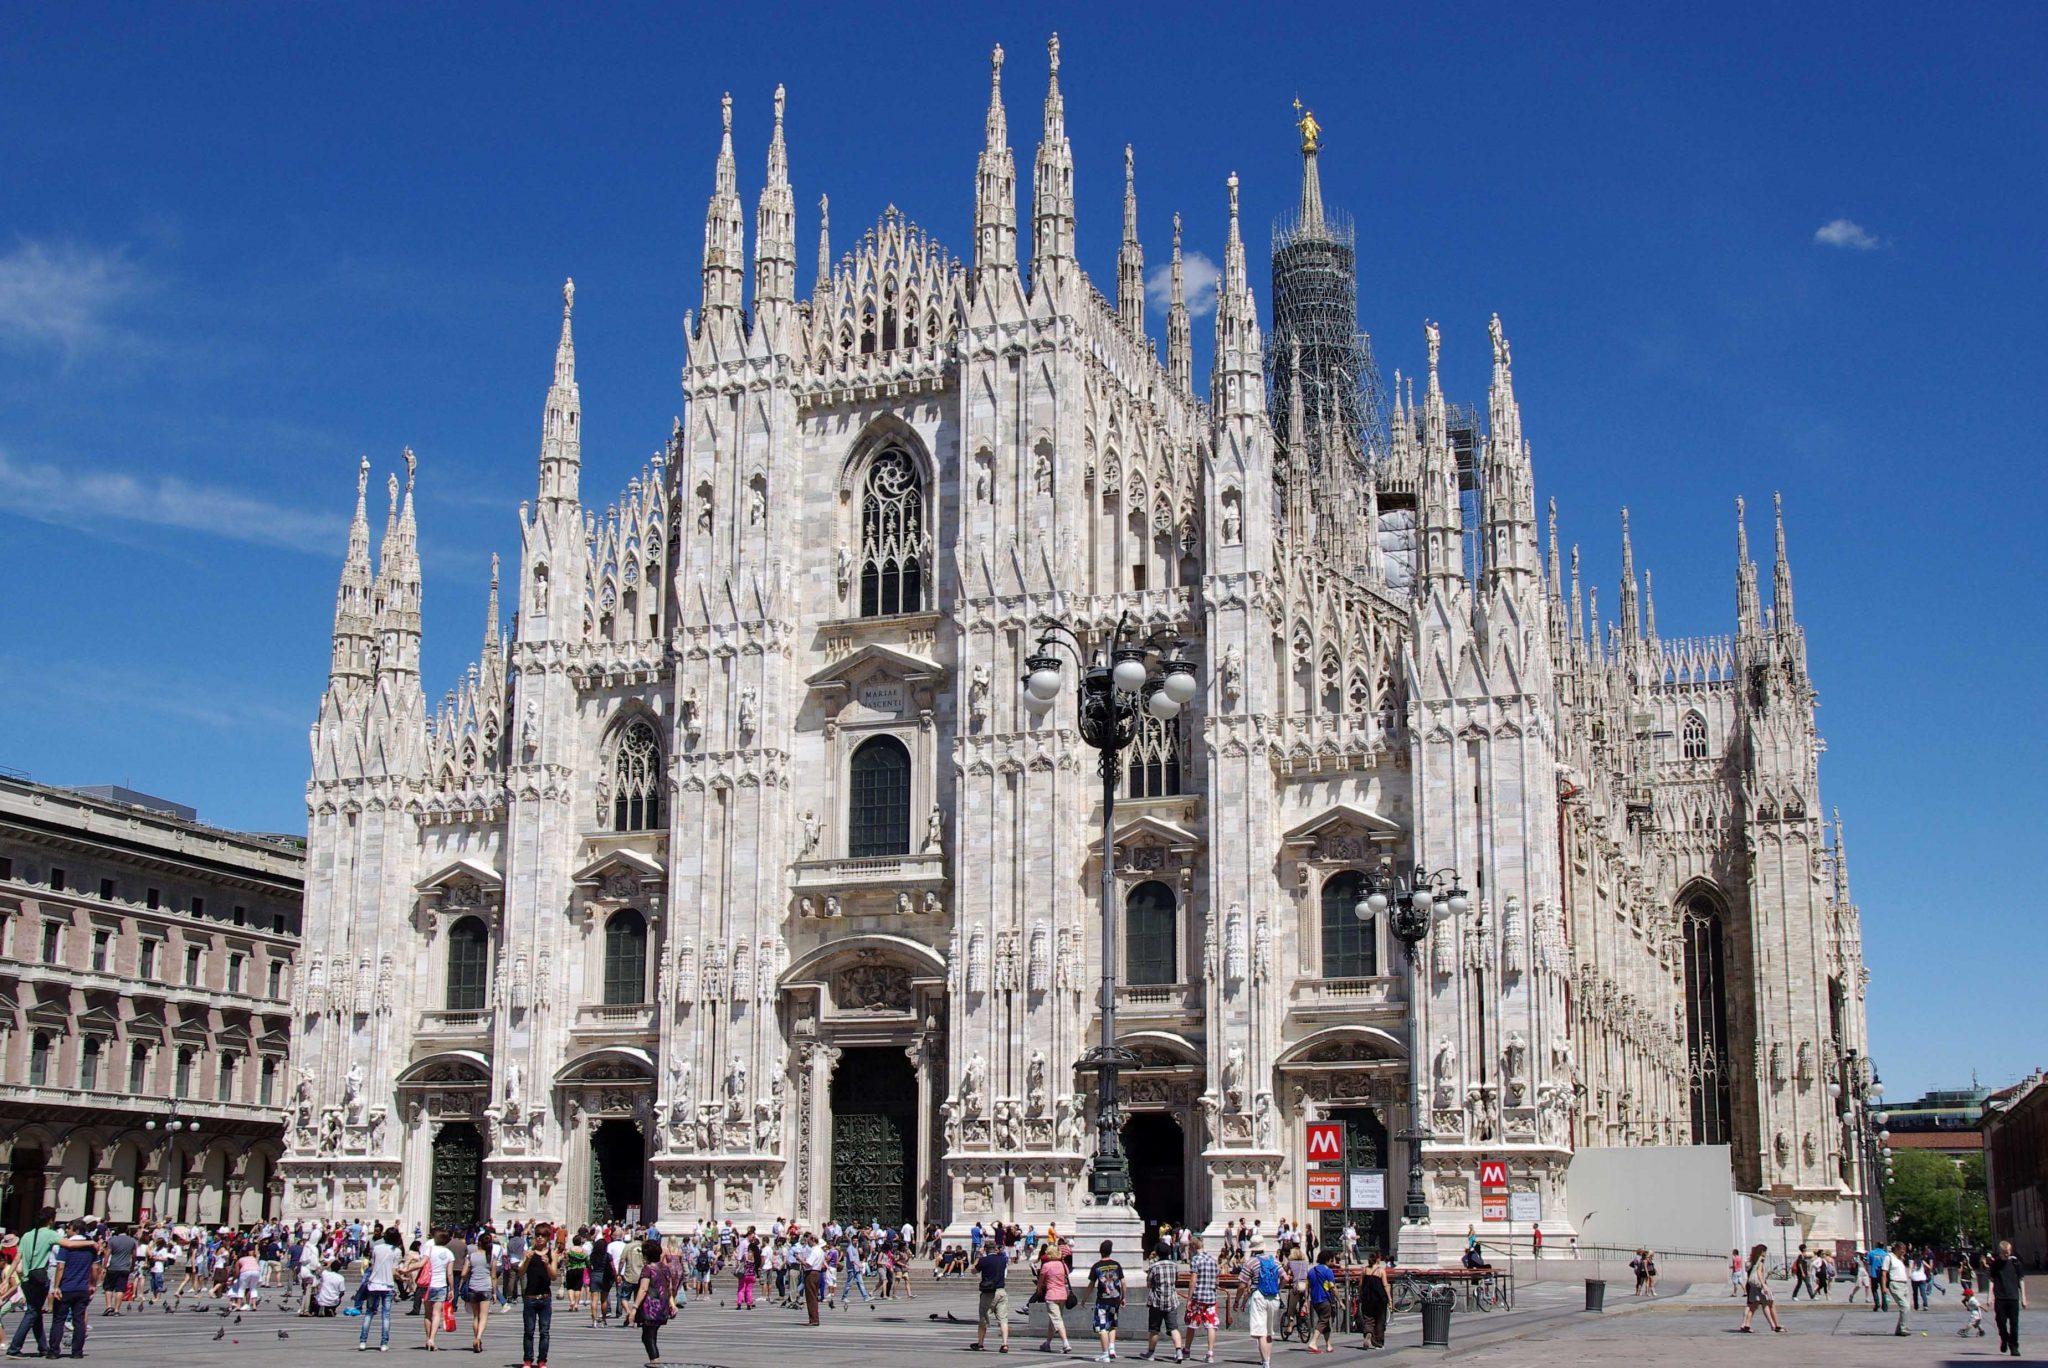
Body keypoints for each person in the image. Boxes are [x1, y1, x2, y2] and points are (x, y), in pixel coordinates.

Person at [45, 1220, 102, 1359]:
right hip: (82, 1288)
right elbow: (95, 1268)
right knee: (79, 1320)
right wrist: (93, 1284)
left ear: (75, 1230)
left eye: (69, 1228)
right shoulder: (90, 1248)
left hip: (66, 1287)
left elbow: (60, 1267)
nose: (67, 1231)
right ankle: (77, 1352)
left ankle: (53, 1351)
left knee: (58, 1319)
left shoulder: (66, 1246)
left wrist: (57, 1286)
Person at [626, 1238, 674, 1368]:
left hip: (651, 1308)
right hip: (662, 1306)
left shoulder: (648, 1268)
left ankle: (655, 1363)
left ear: (646, 1254)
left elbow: (643, 1289)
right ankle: (654, 1361)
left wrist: (634, 1308)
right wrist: (672, 1304)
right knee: (650, 1336)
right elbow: (669, 1288)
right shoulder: (665, 1268)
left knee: (648, 1337)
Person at [359, 1226, 403, 1352]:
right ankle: (384, 1343)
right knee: (386, 1315)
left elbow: (373, 1265)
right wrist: (402, 1278)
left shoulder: (376, 1248)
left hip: (373, 1284)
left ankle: (363, 1341)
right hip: (387, 1285)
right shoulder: (397, 1251)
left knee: (369, 1313)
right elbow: (394, 1271)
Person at [1243, 1237, 1283, 1368]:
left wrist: (1238, 1300)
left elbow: (1241, 1284)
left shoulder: (1251, 1262)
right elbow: (1286, 1277)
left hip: (1259, 1296)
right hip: (1273, 1297)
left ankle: (1265, 1362)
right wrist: (1278, 1288)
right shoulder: (1274, 1261)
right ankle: (1268, 1359)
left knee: (1261, 1332)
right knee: (1269, 1331)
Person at [1087, 1240, 1127, 1363]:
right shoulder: (1116, 1265)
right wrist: (1123, 1297)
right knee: (1113, 1324)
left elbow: (1091, 1285)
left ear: (1100, 1251)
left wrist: (1084, 1298)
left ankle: (1105, 1354)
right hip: (1115, 1299)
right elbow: (1123, 1282)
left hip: (1102, 1301)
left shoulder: (1096, 1266)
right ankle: (1112, 1349)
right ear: (1111, 1251)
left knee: (1102, 1327)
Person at [1986, 1240, 2027, 1357]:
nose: (2007, 1254)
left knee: (2014, 1324)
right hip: (2000, 1298)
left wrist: (2023, 1297)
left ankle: (2014, 1346)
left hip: (2013, 1297)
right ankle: (2004, 1338)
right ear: (2000, 1252)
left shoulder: (2015, 1263)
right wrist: (1990, 1296)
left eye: (2008, 1252)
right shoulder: (1995, 1264)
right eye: (2004, 1252)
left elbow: (2021, 1280)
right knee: (2000, 1322)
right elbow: (1991, 1280)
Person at [971, 1232, 1010, 1352]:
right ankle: (1004, 1344)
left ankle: (980, 1343)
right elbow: (1003, 1256)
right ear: (995, 1249)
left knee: (983, 1318)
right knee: (1003, 1319)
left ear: (986, 1249)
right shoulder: (1003, 1260)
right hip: (1001, 1292)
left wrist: (978, 1256)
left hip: (988, 1293)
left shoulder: (984, 1260)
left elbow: (973, 1271)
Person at [1183, 1236, 1219, 1366]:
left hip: (1198, 1298)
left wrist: (1189, 1299)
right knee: (1211, 1325)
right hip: (1211, 1298)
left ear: (1192, 1247)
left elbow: (1193, 1281)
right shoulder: (1213, 1259)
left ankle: (1187, 1350)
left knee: (1192, 1323)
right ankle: (1209, 1353)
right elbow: (1217, 1281)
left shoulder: (1195, 1260)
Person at [1144, 1243, 1183, 1362]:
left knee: (1154, 1329)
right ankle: (1179, 1352)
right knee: (1174, 1328)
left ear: (1157, 1253)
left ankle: (1150, 1353)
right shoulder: (1174, 1265)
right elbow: (1176, 1279)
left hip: (1157, 1300)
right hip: (1171, 1300)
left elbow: (1149, 1284)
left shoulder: (1154, 1266)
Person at [1034, 1243, 1074, 1355]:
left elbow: (1041, 1281)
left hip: (1051, 1295)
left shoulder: (1046, 1266)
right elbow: (1066, 1279)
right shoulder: (1063, 1264)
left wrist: (1039, 1290)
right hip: (1062, 1295)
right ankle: (1047, 1343)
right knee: (1054, 1320)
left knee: (1057, 1320)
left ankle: (1066, 1343)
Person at [1739, 1243, 1783, 1334]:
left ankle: (1747, 1325)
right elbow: (1759, 1273)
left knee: (1753, 1306)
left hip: (1752, 1285)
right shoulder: (1760, 1260)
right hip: (1759, 1284)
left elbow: (1749, 1270)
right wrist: (1764, 1284)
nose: (1766, 1253)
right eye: (1765, 1251)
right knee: (1770, 1303)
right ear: (1762, 1252)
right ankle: (1776, 1326)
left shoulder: (1753, 1260)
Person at [423, 1228, 455, 1350]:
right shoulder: (449, 1254)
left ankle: (427, 1339)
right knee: (436, 1314)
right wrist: (452, 1288)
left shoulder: (429, 1250)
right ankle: (432, 1339)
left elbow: (422, 1264)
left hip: (427, 1285)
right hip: (441, 1285)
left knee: (427, 1314)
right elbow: (450, 1274)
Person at [1356, 1250, 1390, 1351]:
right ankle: (1378, 1343)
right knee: (1380, 1320)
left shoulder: (1364, 1270)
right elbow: (1385, 1285)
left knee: (1368, 1318)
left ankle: (1368, 1333)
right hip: (1379, 1299)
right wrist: (1390, 1298)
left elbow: (1360, 1284)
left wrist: (1360, 1294)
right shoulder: (1381, 1270)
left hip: (1367, 1298)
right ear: (1378, 1259)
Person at [100, 1225, 137, 1318]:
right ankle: (117, 1310)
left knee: (108, 1288)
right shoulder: (132, 1241)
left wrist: (104, 1266)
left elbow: (107, 1255)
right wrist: (132, 1266)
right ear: (127, 1230)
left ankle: (109, 1307)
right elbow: (134, 1256)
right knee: (120, 1289)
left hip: (113, 1267)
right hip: (125, 1268)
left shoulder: (112, 1240)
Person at [1305, 1250, 1337, 1355]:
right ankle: (1313, 1342)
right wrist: (1340, 1301)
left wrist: (1306, 1300)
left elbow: (1307, 1287)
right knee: (1323, 1321)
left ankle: (1328, 1345)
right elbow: (1332, 1287)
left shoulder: (1311, 1271)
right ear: (1328, 1259)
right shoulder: (1328, 1271)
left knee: (1325, 1321)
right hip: (1325, 1299)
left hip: (1315, 1300)